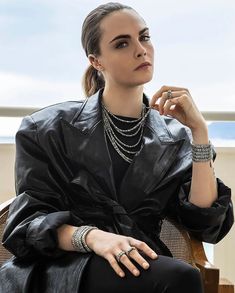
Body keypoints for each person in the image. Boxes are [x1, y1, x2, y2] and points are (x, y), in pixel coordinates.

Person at [0, 2, 234, 292]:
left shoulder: (176, 137)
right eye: (122, 43)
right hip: (66, 267)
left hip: (140, 262)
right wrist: (94, 237)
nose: (140, 49)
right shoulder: (46, 128)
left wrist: (199, 133)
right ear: (96, 60)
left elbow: (205, 223)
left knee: (178, 275)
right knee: (180, 277)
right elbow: (27, 223)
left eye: (144, 37)